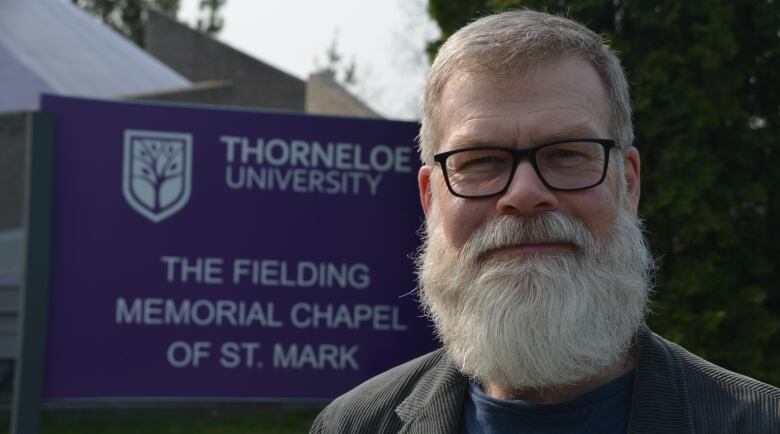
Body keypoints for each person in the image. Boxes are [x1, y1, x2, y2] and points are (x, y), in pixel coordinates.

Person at [311, 10, 780, 434]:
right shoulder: (353, 425)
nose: (524, 194)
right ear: (431, 198)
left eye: (566, 154)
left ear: (629, 185)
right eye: (481, 160)